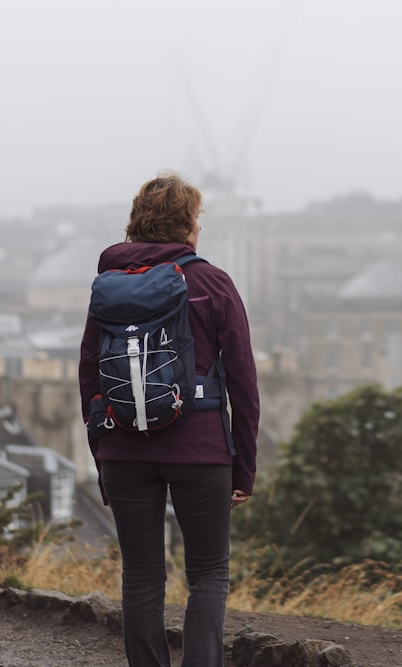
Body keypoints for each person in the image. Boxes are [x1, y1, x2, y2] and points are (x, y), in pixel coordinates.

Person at [78, 172, 259, 667]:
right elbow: (243, 385)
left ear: (137, 224)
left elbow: (90, 379)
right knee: (208, 575)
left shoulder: (109, 287)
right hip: (200, 451)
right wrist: (242, 467)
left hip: (124, 451)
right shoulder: (212, 282)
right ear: (188, 228)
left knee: (141, 576)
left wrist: (103, 459)